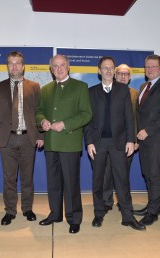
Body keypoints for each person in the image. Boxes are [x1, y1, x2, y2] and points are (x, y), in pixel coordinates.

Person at [84, 57, 144, 231]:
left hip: (119, 142)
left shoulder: (123, 90)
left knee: (122, 181)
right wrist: (89, 142)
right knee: (98, 180)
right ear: (99, 71)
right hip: (98, 142)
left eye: (111, 68)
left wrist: (131, 140)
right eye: (105, 68)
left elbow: (129, 117)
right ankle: (98, 213)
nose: (109, 71)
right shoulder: (91, 92)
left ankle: (127, 216)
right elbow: (88, 121)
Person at [36, 54, 92, 234]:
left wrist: (65, 124)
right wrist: (42, 121)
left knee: (71, 183)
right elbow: (39, 111)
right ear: (50, 69)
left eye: (62, 65)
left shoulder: (80, 87)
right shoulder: (45, 89)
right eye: (55, 66)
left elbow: (86, 114)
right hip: (51, 143)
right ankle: (55, 214)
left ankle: (74, 218)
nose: (58, 68)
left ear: (68, 66)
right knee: (53, 182)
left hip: (69, 143)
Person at [0, 51, 44, 226]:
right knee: (9, 178)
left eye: (17, 63)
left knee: (27, 177)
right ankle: (10, 211)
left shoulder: (34, 86)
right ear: (7, 66)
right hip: (7, 139)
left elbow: (39, 113)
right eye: (10, 63)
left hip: (28, 139)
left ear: (23, 66)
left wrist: (40, 136)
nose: (14, 66)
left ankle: (27, 208)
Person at [135, 54, 160, 226]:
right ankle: (152, 205)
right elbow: (140, 113)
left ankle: (153, 212)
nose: (150, 69)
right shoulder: (144, 86)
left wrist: (148, 130)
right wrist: (137, 135)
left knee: (155, 174)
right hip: (143, 138)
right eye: (147, 66)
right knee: (147, 173)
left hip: (157, 138)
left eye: (153, 66)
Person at [102, 64, 139, 211]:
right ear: (115, 75)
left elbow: (136, 118)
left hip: (127, 142)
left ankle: (123, 203)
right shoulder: (106, 92)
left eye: (126, 74)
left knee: (123, 175)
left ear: (130, 77)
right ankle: (106, 201)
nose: (123, 76)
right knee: (106, 173)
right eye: (120, 74)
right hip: (108, 141)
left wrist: (134, 140)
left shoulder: (134, 94)